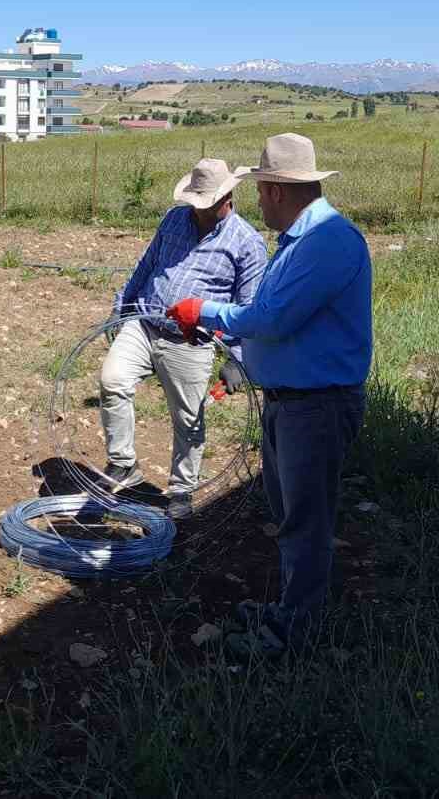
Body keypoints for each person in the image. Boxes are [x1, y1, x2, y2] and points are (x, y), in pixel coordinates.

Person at [167, 133, 372, 650]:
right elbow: (270, 316)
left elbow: (272, 317)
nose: (256, 202)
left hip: (316, 405)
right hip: (293, 402)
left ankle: (294, 632)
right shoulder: (302, 242)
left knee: (305, 522)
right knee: (291, 516)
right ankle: (288, 609)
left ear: (278, 190)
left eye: (260, 191)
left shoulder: (327, 241)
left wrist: (203, 311)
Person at [99, 158, 267, 520]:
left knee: (188, 419)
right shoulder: (174, 219)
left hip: (192, 340)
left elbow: (249, 307)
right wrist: (122, 306)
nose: (198, 210)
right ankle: (123, 463)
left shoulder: (247, 243)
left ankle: (181, 489)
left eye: (206, 203)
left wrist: (237, 357)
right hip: (144, 322)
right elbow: (147, 264)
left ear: (227, 198)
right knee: (112, 381)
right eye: (195, 202)